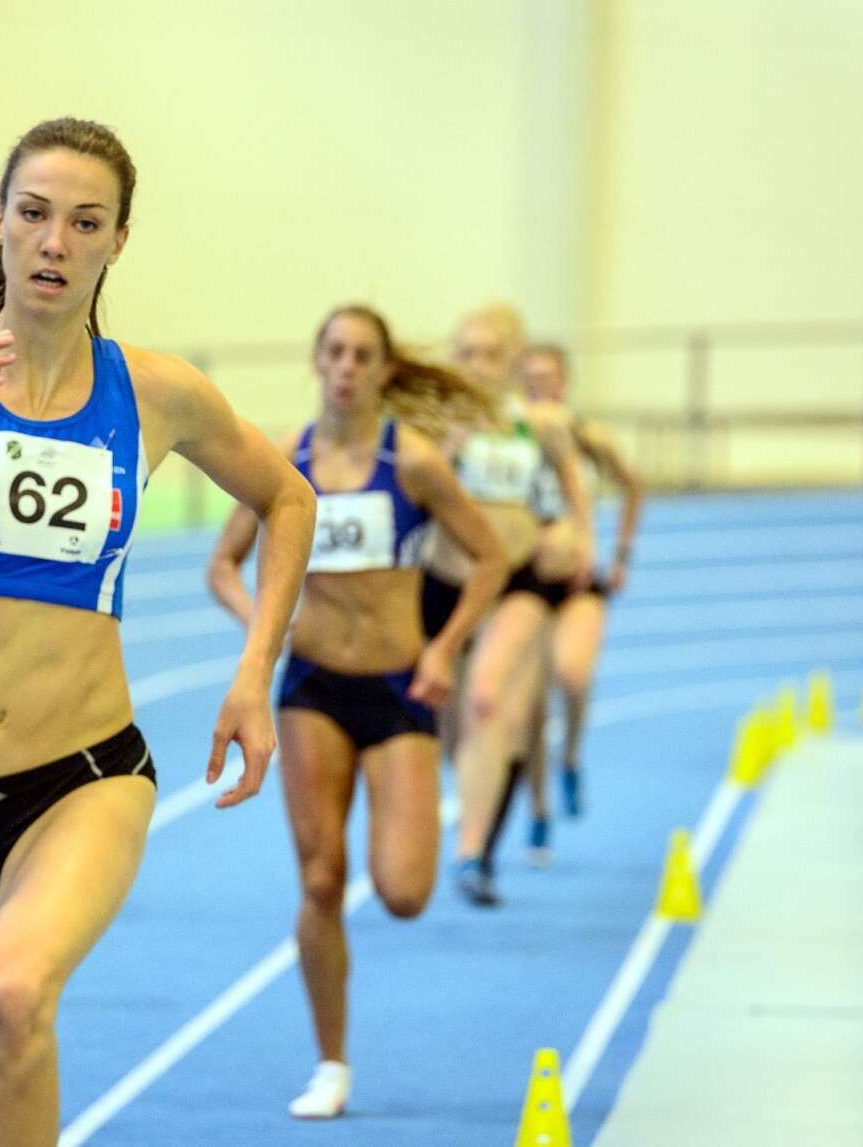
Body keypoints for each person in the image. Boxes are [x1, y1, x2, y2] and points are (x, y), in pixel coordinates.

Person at [0, 117, 315, 1146]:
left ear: (119, 240)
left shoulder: (154, 393)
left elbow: (288, 498)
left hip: (80, 778)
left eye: (84, 222)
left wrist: (255, 671)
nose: (54, 242)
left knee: (15, 997)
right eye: (34, 214)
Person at [208, 306, 506, 1120]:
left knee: (404, 891)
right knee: (319, 877)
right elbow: (223, 564)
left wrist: (445, 649)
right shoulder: (287, 460)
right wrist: (263, 628)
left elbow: (489, 557)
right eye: (333, 351)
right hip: (312, 689)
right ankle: (331, 1063)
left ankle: (336, 1048)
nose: (345, 366)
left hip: (398, 688)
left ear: (383, 371)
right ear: (316, 361)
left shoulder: (410, 462)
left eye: (361, 355)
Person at [390, 303, 591, 906]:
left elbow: (573, 488)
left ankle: (470, 852)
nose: (478, 365)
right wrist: (444, 454)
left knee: (486, 697)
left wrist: (577, 536)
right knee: (452, 721)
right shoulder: (429, 426)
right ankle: (483, 806)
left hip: (518, 578)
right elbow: (402, 491)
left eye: (491, 354)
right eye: (467, 353)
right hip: (445, 582)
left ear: (514, 361)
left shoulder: (538, 423)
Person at [507, 343, 643, 861]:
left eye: (549, 378)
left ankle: (570, 755)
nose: (540, 387)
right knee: (531, 707)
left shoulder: (588, 436)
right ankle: (539, 812)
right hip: (527, 579)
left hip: (578, 579)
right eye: (530, 378)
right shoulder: (509, 440)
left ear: (566, 383)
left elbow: (632, 485)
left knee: (573, 675)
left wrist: (620, 554)